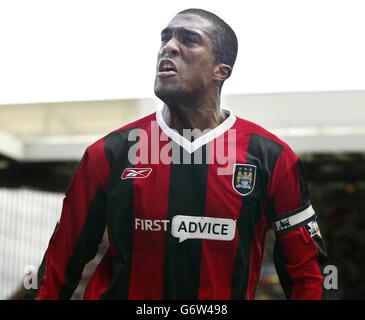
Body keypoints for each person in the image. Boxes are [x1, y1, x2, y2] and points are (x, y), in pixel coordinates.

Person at [25, 8, 328, 300]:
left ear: (220, 71)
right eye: (165, 38)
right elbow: (58, 266)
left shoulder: (272, 158)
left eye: (188, 40)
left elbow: (308, 273)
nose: (168, 47)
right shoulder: (108, 154)